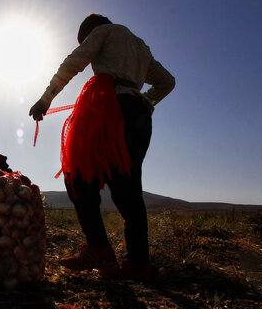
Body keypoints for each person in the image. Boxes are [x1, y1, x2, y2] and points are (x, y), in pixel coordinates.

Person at [29, 14, 175, 281]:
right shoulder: (140, 47)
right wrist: (144, 100)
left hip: (111, 109)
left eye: (84, 39)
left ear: (90, 30)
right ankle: (138, 263)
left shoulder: (105, 31)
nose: (85, 43)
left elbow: (73, 62)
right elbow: (168, 81)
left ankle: (99, 248)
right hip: (138, 115)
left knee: (79, 176)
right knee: (128, 188)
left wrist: (45, 99)